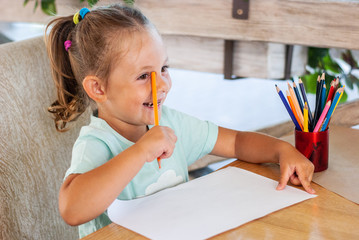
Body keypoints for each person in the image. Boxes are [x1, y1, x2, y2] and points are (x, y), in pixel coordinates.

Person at [46, 4, 315, 238]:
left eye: (163, 68)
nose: (162, 84)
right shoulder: (96, 143)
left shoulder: (170, 123)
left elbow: (236, 141)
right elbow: (72, 209)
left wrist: (281, 151)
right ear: (99, 89)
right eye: (143, 76)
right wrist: (141, 151)